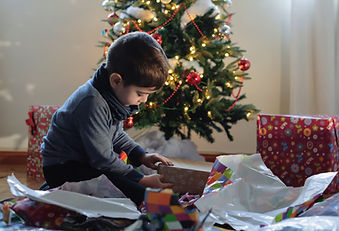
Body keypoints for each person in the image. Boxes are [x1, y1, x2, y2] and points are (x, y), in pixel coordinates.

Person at [40, 31, 173, 207]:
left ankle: (146, 197)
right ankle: (149, 201)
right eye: (140, 93)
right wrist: (142, 180)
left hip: (84, 159)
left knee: (121, 167)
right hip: (63, 167)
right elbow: (102, 159)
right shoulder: (92, 103)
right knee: (114, 170)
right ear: (116, 81)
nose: (144, 100)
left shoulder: (111, 96)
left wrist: (142, 155)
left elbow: (115, 135)